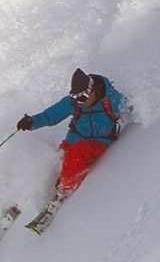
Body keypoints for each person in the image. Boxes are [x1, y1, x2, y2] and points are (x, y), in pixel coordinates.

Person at [14, 68, 127, 234]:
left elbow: (133, 106)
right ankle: (27, 197)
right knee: (56, 160)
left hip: (99, 141)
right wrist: (31, 122)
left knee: (75, 156)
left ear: (93, 92)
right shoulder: (73, 102)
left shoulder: (111, 100)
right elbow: (50, 115)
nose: (79, 102)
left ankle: (62, 192)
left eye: (82, 97)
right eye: (75, 98)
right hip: (74, 139)